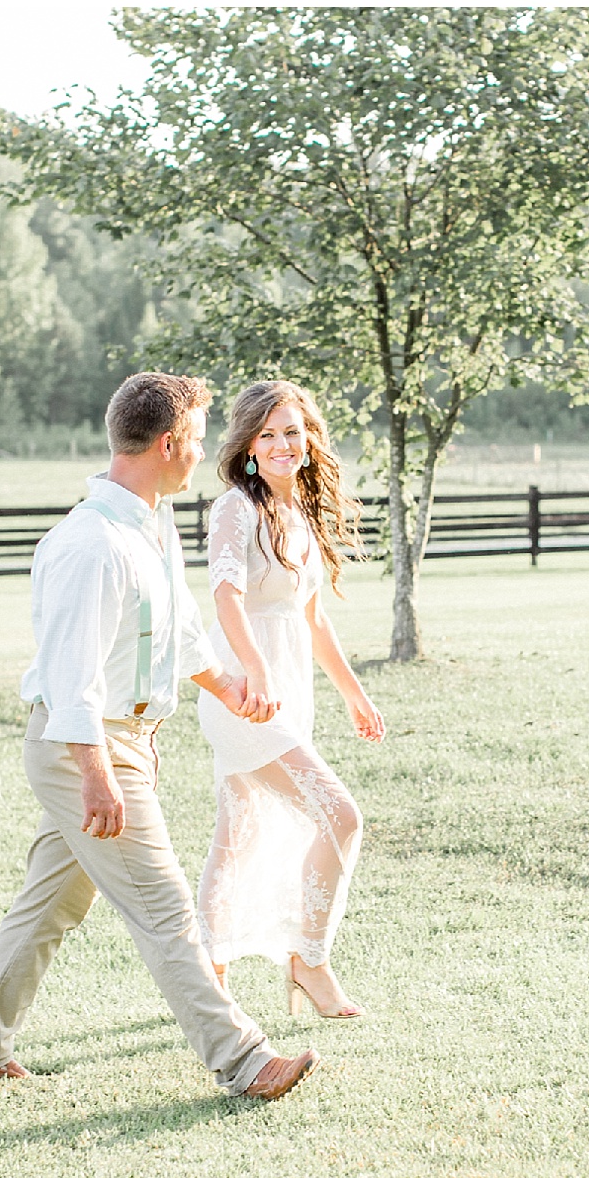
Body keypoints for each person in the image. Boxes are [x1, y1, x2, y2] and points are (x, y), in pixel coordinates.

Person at [0, 372, 318, 1102]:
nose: (206, 456)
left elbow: (175, 632)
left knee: (50, 902)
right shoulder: (90, 545)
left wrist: (230, 687)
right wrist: (97, 771)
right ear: (168, 443)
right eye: (200, 442)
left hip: (126, 740)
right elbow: (70, 674)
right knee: (165, 907)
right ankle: (244, 1060)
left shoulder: (152, 524)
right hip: (84, 746)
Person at [195, 380, 383, 1020]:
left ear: (309, 440)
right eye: (269, 433)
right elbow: (225, 595)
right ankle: (310, 959)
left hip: (287, 688)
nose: (282, 444)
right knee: (341, 814)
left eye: (293, 432)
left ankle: (208, 972)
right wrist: (251, 671)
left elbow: (313, 618)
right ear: (248, 445)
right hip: (244, 693)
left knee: (238, 831)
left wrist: (355, 696)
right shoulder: (234, 509)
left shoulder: (297, 513)